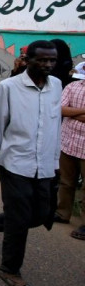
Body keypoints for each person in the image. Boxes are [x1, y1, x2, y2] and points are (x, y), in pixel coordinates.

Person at [0, 40, 62, 286]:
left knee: (41, 215)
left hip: (44, 163)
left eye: (52, 60)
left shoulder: (56, 86)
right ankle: (9, 269)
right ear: (28, 60)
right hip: (14, 163)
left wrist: (55, 163)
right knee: (20, 218)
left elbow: (55, 127)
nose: (47, 65)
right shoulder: (9, 87)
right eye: (42, 60)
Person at [54, 63, 85, 240]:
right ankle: (62, 212)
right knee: (66, 181)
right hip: (68, 141)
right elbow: (61, 109)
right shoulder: (73, 86)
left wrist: (73, 113)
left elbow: (67, 111)